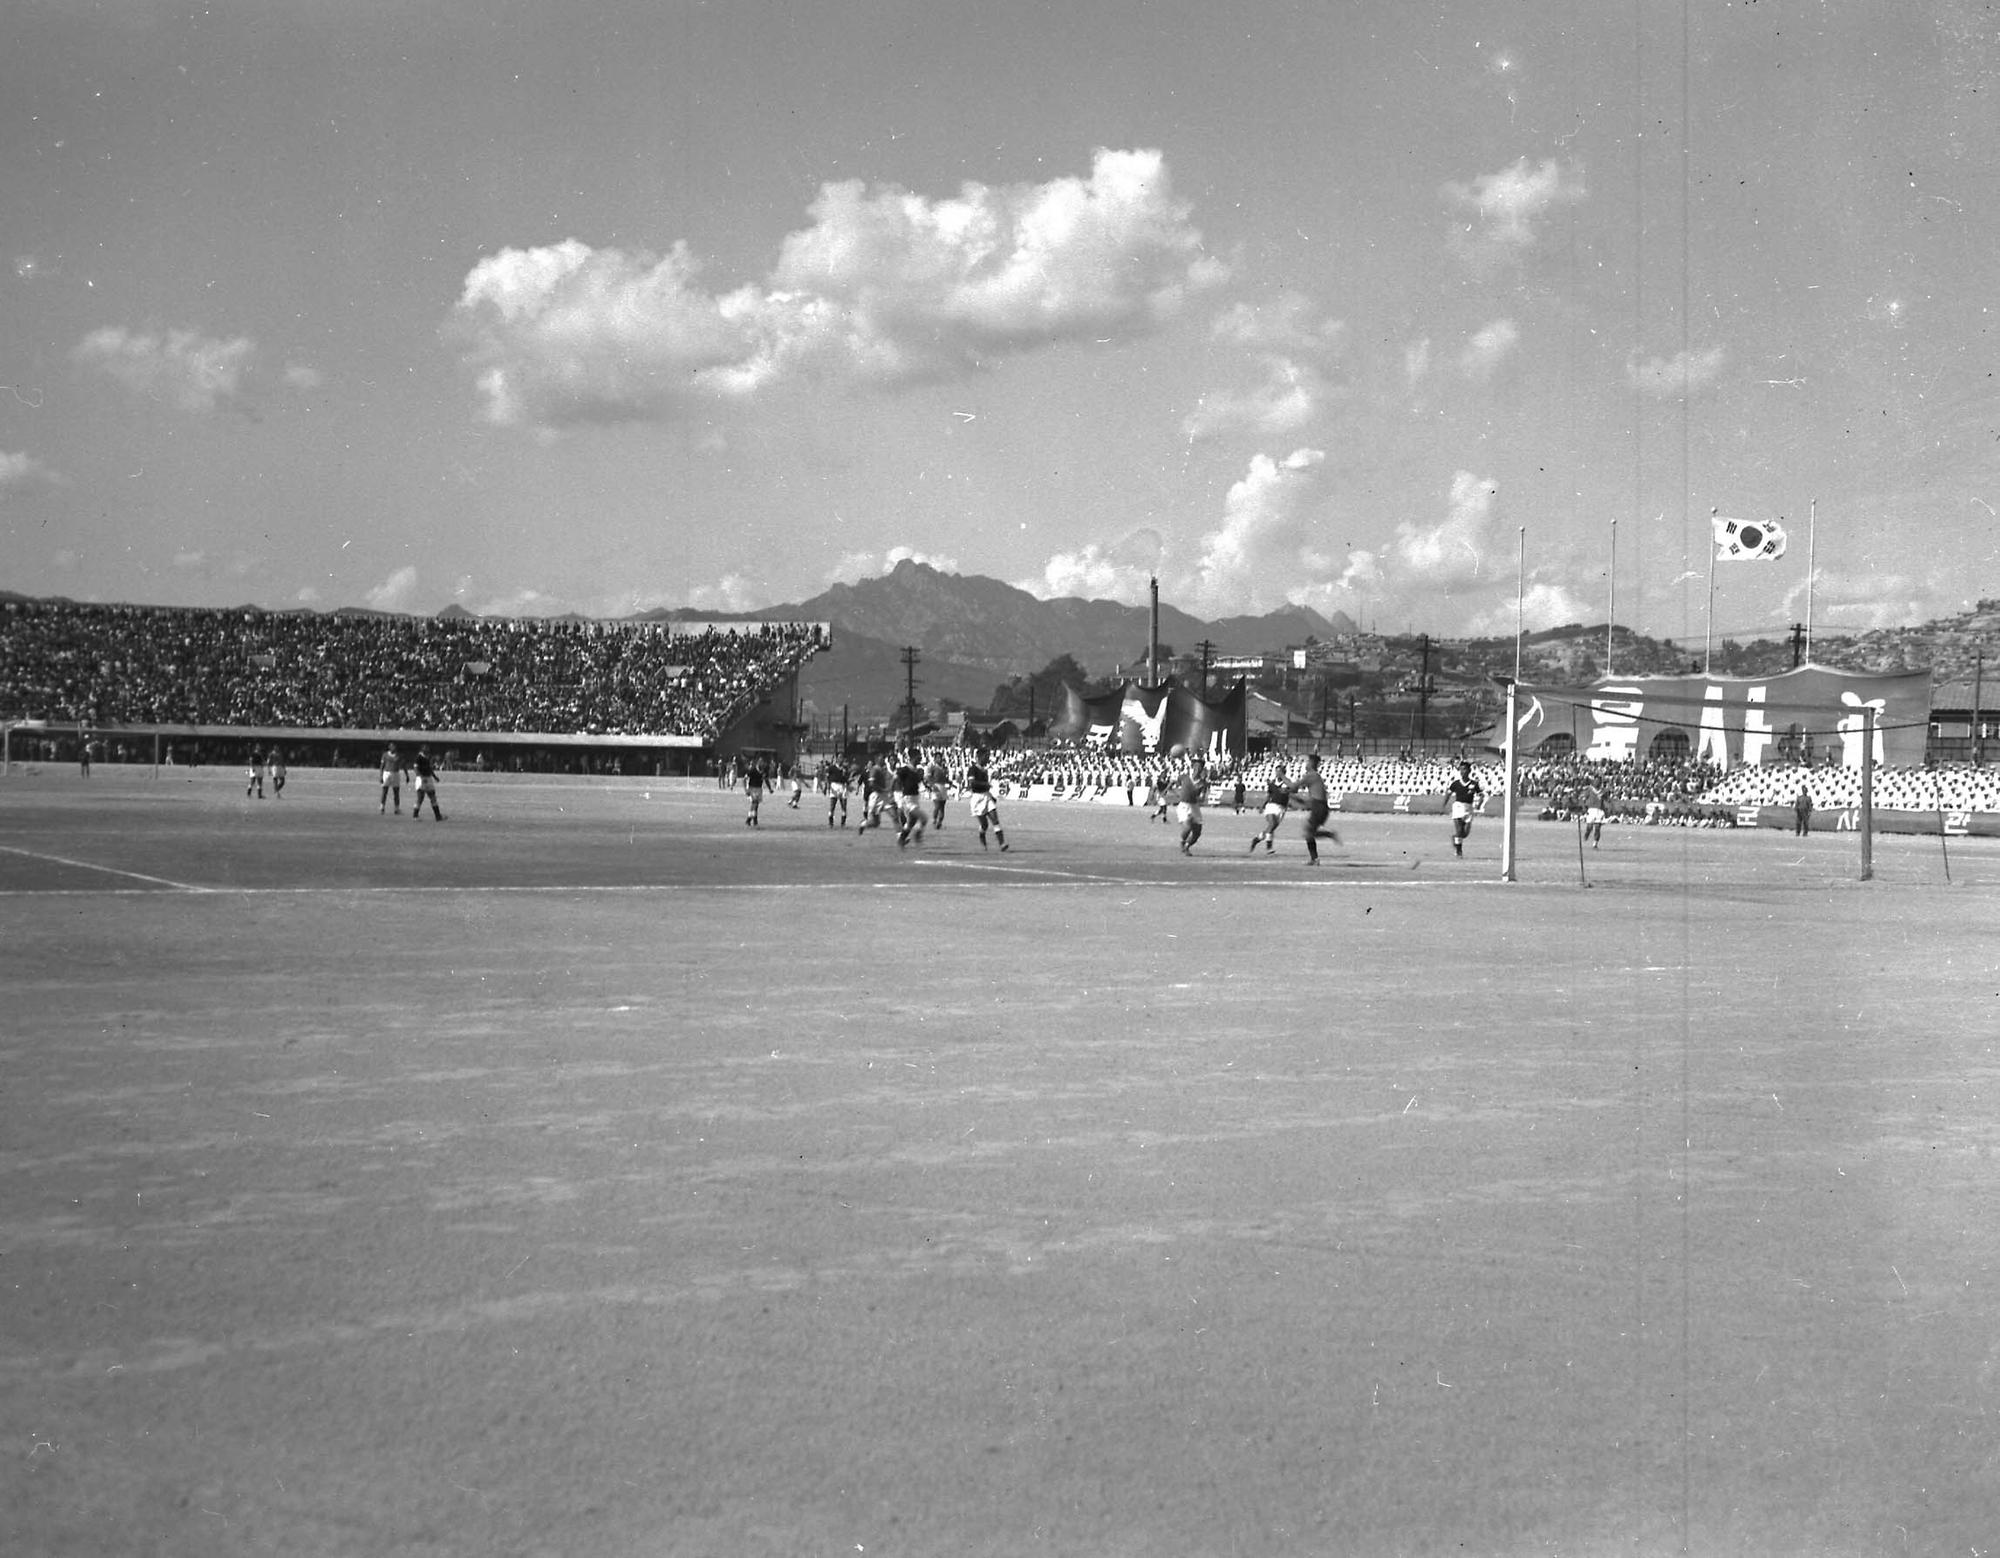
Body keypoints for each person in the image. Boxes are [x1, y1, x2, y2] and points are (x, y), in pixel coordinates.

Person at [1297, 753, 1339, 865]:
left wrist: (1281, 776)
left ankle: (1328, 836)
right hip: (1319, 807)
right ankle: (1314, 859)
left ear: (1312, 763)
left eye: (1308, 761)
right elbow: (1308, 801)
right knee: (1308, 833)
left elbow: (1293, 786)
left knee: (1308, 833)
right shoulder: (1314, 776)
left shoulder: (1312, 775)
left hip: (1319, 807)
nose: (1306, 764)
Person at [964, 752, 1009, 851]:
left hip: (986, 796)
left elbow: (986, 786)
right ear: (979, 757)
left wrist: (991, 796)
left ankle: (1002, 844)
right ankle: (982, 836)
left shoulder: (984, 771)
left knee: (995, 820)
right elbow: (972, 784)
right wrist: (985, 785)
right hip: (977, 798)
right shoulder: (973, 769)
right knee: (984, 824)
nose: (987, 759)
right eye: (985, 757)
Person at [1445, 760, 1483, 857]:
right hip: (1458, 807)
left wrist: (1479, 803)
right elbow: (1448, 793)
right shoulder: (1456, 783)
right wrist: (1444, 804)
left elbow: (1481, 795)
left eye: (1464, 769)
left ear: (1469, 771)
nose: (1462, 772)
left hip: (1468, 808)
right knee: (1459, 831)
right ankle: (1458, 851)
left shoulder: (1474, 784)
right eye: (1461, 770)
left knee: (1465, 833)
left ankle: (1455, 839)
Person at [1252, 762, 1291, 854]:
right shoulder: (1271, 783)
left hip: (1282, 808)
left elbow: (1291, 792)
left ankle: (1257, 839)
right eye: (1276, 771)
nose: (1277, 773)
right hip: (1271, 806)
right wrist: (1263, 805)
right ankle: (1269, 847)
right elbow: (1268, 795)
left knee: (1271, 828)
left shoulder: (1287, 783)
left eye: (1279, 772)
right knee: (1272, 823)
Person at [891, 751, 927, 847]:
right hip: (908, 799)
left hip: (915, 798)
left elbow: (918, 782)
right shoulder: (904, 770)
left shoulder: (917, 770)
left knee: (911, 823)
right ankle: (917, 835)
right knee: (924, 818)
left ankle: (901, 840)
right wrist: (892, 793)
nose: (920, 759)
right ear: (913, 758)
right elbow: (895, 779)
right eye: (918, 757)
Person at [1175, 756, 1207, 855]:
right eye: (1196, 766)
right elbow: (1176, 785)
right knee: (1188, 827)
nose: (1197, 769)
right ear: (1192, 767)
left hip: (1194, 806)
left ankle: (1187, 846)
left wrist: (1199, 797)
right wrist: (1179, 793)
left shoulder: (1202, 783)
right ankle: (1182, 842)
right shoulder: (1184, 777)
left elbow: (1202, 797)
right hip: (1184, 806)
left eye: (1200, 767)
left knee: (1197, 833)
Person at [410, 747, 445, 821]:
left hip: (428, 778)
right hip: (421, 779)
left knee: (433, 797)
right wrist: (421, 777)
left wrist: (435, 777)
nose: (428, 752)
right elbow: (416, 769)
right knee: (420, 797)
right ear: (423, 751)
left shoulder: (427, 758)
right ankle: (415, 816)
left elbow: (429, 769)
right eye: (426, 751)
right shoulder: (418, 758)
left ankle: (438, 816)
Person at [925, 752, 951, 830]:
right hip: (936, 786)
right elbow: (928, 778)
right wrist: (932, 785)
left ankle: (939, 823)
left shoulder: (944, 767)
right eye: (938, 758)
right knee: (937, 806)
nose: (939, 759)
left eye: (940, 757)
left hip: (943, 787)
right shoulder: (932, 767)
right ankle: (934, 821)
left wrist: (950, 782)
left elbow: (945, 778)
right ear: (935, 759)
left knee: (942, 807)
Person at [824, 756, 850, 828]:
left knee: (844, 805)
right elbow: (827, 777)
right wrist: (826, 787)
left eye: (842, 758)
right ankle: (830, 823)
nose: (842, 759)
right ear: (837, 759)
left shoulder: (845, 768)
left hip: (842, 786)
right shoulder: (831, 768)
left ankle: (843, 823)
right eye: (840, 758)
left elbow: (846, 778)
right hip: (834, 785)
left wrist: (848, 782)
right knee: (832, 805)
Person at [380, 744, 406, 814]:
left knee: (396, 792)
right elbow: (382, 766)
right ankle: (382, 807)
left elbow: (403, 765)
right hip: (386, 773)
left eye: (394, 747)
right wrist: (381, 776)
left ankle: (396, 809)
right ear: (389, 748)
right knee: (385, 791)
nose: (393, 748)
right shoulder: (385, 755)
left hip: (395, 774)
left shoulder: (398, 755)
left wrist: (407, 775)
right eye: (391, 747)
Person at [743, 759, 767, 827]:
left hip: (759, 789)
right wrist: (746, 790)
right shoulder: (752, 770)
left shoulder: (763, 771)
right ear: (758, 763)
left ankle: (752, 821)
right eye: (761, 763)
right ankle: (750, 820)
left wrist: (770, 788)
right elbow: (744, 779)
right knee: (754, 804)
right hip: (752, 788)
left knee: (756, 806)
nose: (763, 765)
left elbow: (766, 779)